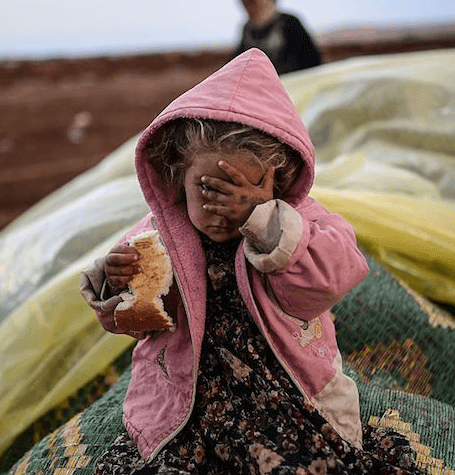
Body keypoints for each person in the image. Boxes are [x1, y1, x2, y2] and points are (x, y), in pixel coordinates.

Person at [80, 48, 424, 473]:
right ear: (175, 178)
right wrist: (118, 286)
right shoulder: (158, 235)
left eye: (244, 189)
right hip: (192, 397)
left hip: (283, 392)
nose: (226, 206)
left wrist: (262, 220)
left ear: (278, 180)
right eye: (209, 189)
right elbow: (147, 321)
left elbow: (325, 282)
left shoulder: (300, 221)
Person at [232, 0, 323, 75]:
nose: (250, 8)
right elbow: (238, 61)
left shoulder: (289, 22)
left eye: (252, 1)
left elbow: (311, 59)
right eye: (245, 4)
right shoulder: (248, 29)